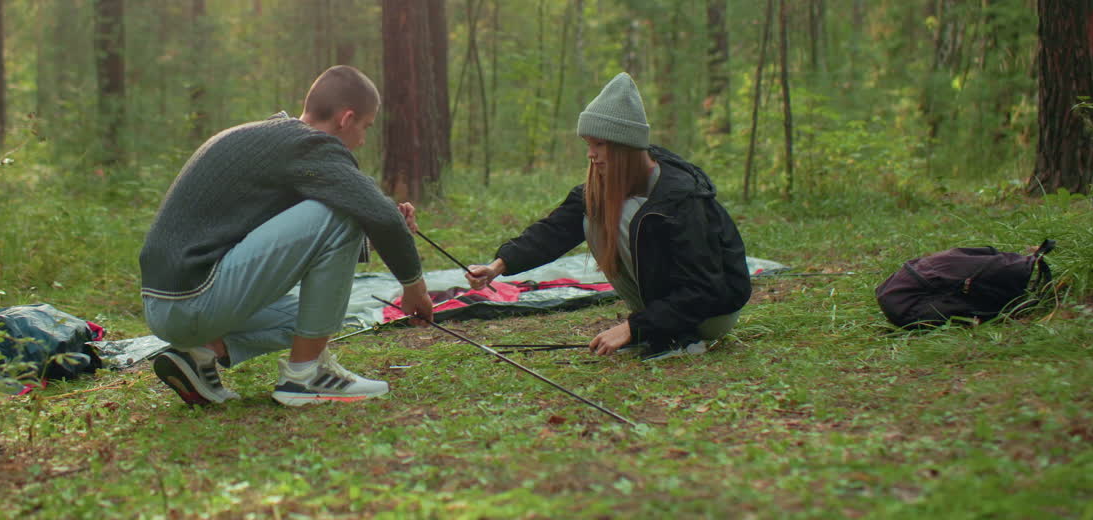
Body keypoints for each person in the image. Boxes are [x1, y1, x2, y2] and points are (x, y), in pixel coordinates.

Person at [140, 65, 434, 406]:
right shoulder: (308, 145)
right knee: (348, 210)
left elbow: (294, 245)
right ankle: (306, 376)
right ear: (346, 118)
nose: (364, 140)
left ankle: (202, 352)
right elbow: (371, 213)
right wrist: (415, 288)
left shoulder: (270, 140)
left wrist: (379, 231)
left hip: (165, 306)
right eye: (366, 127)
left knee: (321, 315)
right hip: (196, 298)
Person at [464, 73, 750, 361]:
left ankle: (680, 340)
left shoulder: (680, 198)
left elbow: (706, 289)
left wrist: (633, 328)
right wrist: (498, 266)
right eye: (588, 144)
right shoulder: (604, 188)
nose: (591, 155)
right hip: (669, 312)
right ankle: (661, 329)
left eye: (599, 145)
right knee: (594, 214)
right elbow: (554, 231)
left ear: (624, 145)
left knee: (627, 215)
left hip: (712, 314)